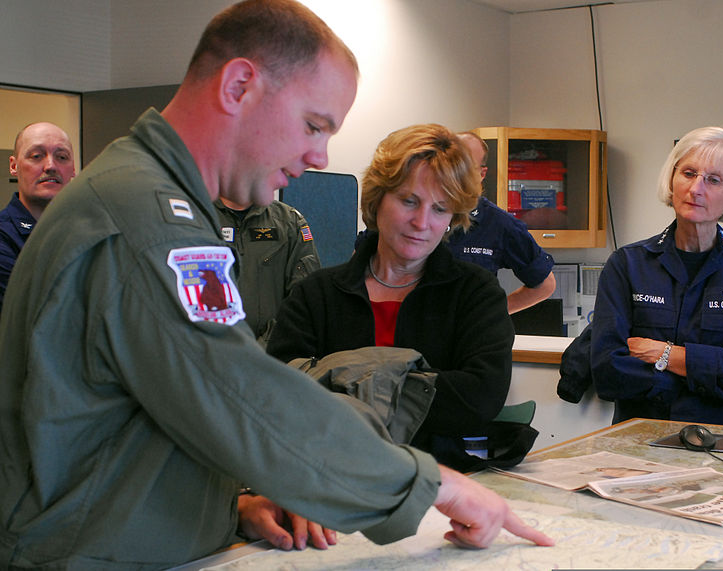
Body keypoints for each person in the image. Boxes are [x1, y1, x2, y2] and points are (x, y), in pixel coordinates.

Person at [0, 1, 552, 569]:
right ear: (239, 86)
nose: (318, 156)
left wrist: (223, 505)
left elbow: (165, 411)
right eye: (313, 125)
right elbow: (242, 395)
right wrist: (433, 486)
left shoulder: (144, 198)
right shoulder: (150, 221)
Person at [267, 123, 517, 470]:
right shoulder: (317, 294)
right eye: (409, 201)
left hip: (441, 485)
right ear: (377, 198)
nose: (421, 222)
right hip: (327, 479)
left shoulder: (476, 294)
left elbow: (480, 398)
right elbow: (283, 394)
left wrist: (341, 374)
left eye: (440, 209)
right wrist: (416, 386)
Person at [591, 126, 723, 427]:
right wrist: (711, 367)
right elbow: (607, 373)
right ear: (671, 180)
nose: (696, 189)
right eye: (688, 173)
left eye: (713, 179)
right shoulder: (626, 265)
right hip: (640, 445)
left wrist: (663, 354)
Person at [445, 131, 556, 314]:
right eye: (452, 165)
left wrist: (491, 314)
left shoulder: (499, 224)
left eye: (467, 167)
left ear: (482, 173)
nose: (457, 174)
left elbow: (544, 284)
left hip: (469, 336)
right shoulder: (422, 215)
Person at [215, 196, 320, 346]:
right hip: (209, 355)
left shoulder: (289, 222)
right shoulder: (196, 218)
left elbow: (304, 303)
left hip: (270, 355)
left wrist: (263, 347)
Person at [0, 122, 75, 312]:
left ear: (73, 169)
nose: (50, 166)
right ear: (14, 166)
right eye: (36, 156)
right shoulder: (4, 238)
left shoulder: (88, 233)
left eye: (62, 157)